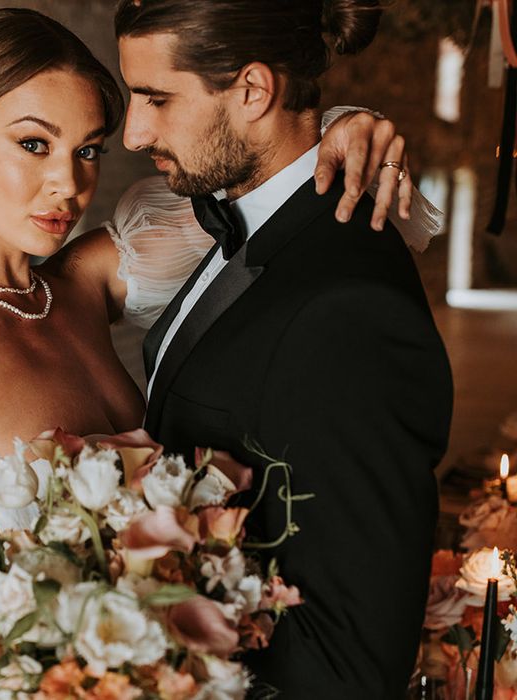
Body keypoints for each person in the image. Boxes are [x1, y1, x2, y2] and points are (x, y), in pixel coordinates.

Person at [0, 6, 437, 699]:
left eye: (88, 149)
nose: (69, 185)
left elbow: (263, 183)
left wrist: (339, 124)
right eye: (34, 144)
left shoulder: (79, 285)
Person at [113, 0, 453, 698]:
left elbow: (351, 663)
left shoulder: (350, 312)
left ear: (253, 90)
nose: (132, 131)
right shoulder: (242, 216)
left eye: (156, 98)